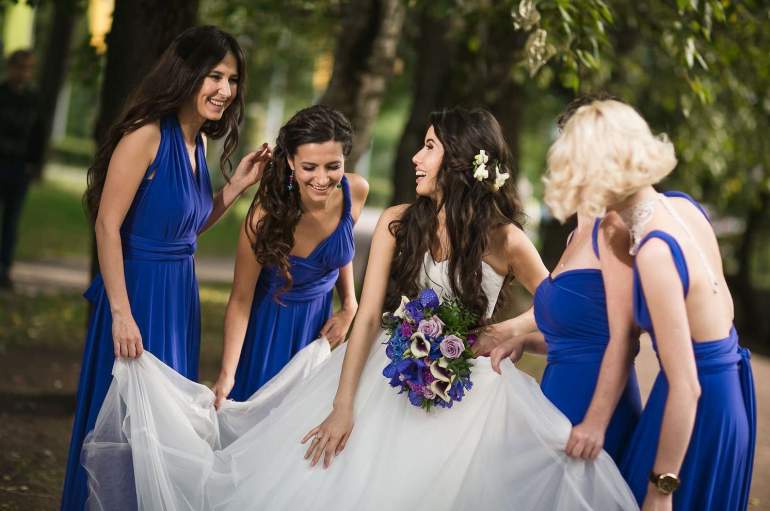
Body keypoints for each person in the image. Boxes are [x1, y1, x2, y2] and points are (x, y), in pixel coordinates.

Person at [81, 107, 639, 510]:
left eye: (428, 147)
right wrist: (343, 405)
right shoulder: (399, 221)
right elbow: (368, 317)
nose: (416, 157)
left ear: (458, 160)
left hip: (470, 390)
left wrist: (501, 332)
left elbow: (554, 309)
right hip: (387, 372)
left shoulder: (507, 239)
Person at [61, 26, 271, 511]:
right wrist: (121, 313)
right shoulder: (147, 135)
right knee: (128, 423)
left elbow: (185, 228)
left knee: (164, 428)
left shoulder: (198, 144)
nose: (225, 90)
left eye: (232, 79)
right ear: (186, 73)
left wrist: (234, 188)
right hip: (137, 295)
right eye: (214, 76)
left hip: (179, 297)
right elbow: (107, 225)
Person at [544, 98, 755, 510]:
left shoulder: (655, 252)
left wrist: (662, 488)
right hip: (729, 399)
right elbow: (723, 315)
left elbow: (687, 385)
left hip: (693, 413)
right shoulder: (682, 209)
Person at [484, 96, 642, 464]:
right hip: (557, 398)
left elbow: (625, 338)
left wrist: (596, 423)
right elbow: (580, 334)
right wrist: (524, 340)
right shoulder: (576, 235)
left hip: (593, 413)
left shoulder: (613, 229)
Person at [212, 105, 368, 405]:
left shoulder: (356, 191)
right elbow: (241, 300)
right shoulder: (263, 218)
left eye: (333, 166)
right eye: (309, 167)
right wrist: (226, 374)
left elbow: (339, 249)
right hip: (269, 332)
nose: (322, 178)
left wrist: (349, 305)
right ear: (291, 162)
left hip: (317, 333)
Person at [0, 49, 42, 289]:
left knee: (11, 221)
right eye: (21, 68)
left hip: (19, 167)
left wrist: (34, 164)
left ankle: (5, 268)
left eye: (29, 69)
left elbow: (38, 133)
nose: (25, 73)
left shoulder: (33, 99)